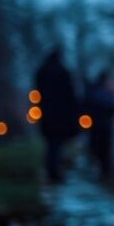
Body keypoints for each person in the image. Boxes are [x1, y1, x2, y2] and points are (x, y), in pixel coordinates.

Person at [34, 48, 79, 183]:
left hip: (47, 114)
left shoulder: (42, 72)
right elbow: (71, 96)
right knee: (57, 144)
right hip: (61, 115)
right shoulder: (63, 73)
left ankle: (51, 169)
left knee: (51, 144)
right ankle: (54, 171)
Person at [84, 71, 114, 179]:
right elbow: (110, 105)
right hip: (101, 126)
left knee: (99, 151)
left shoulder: (95, 91)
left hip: (98, 126)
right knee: (102, 151)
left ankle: (101, 172)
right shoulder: (101, 93)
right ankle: (103, 173)